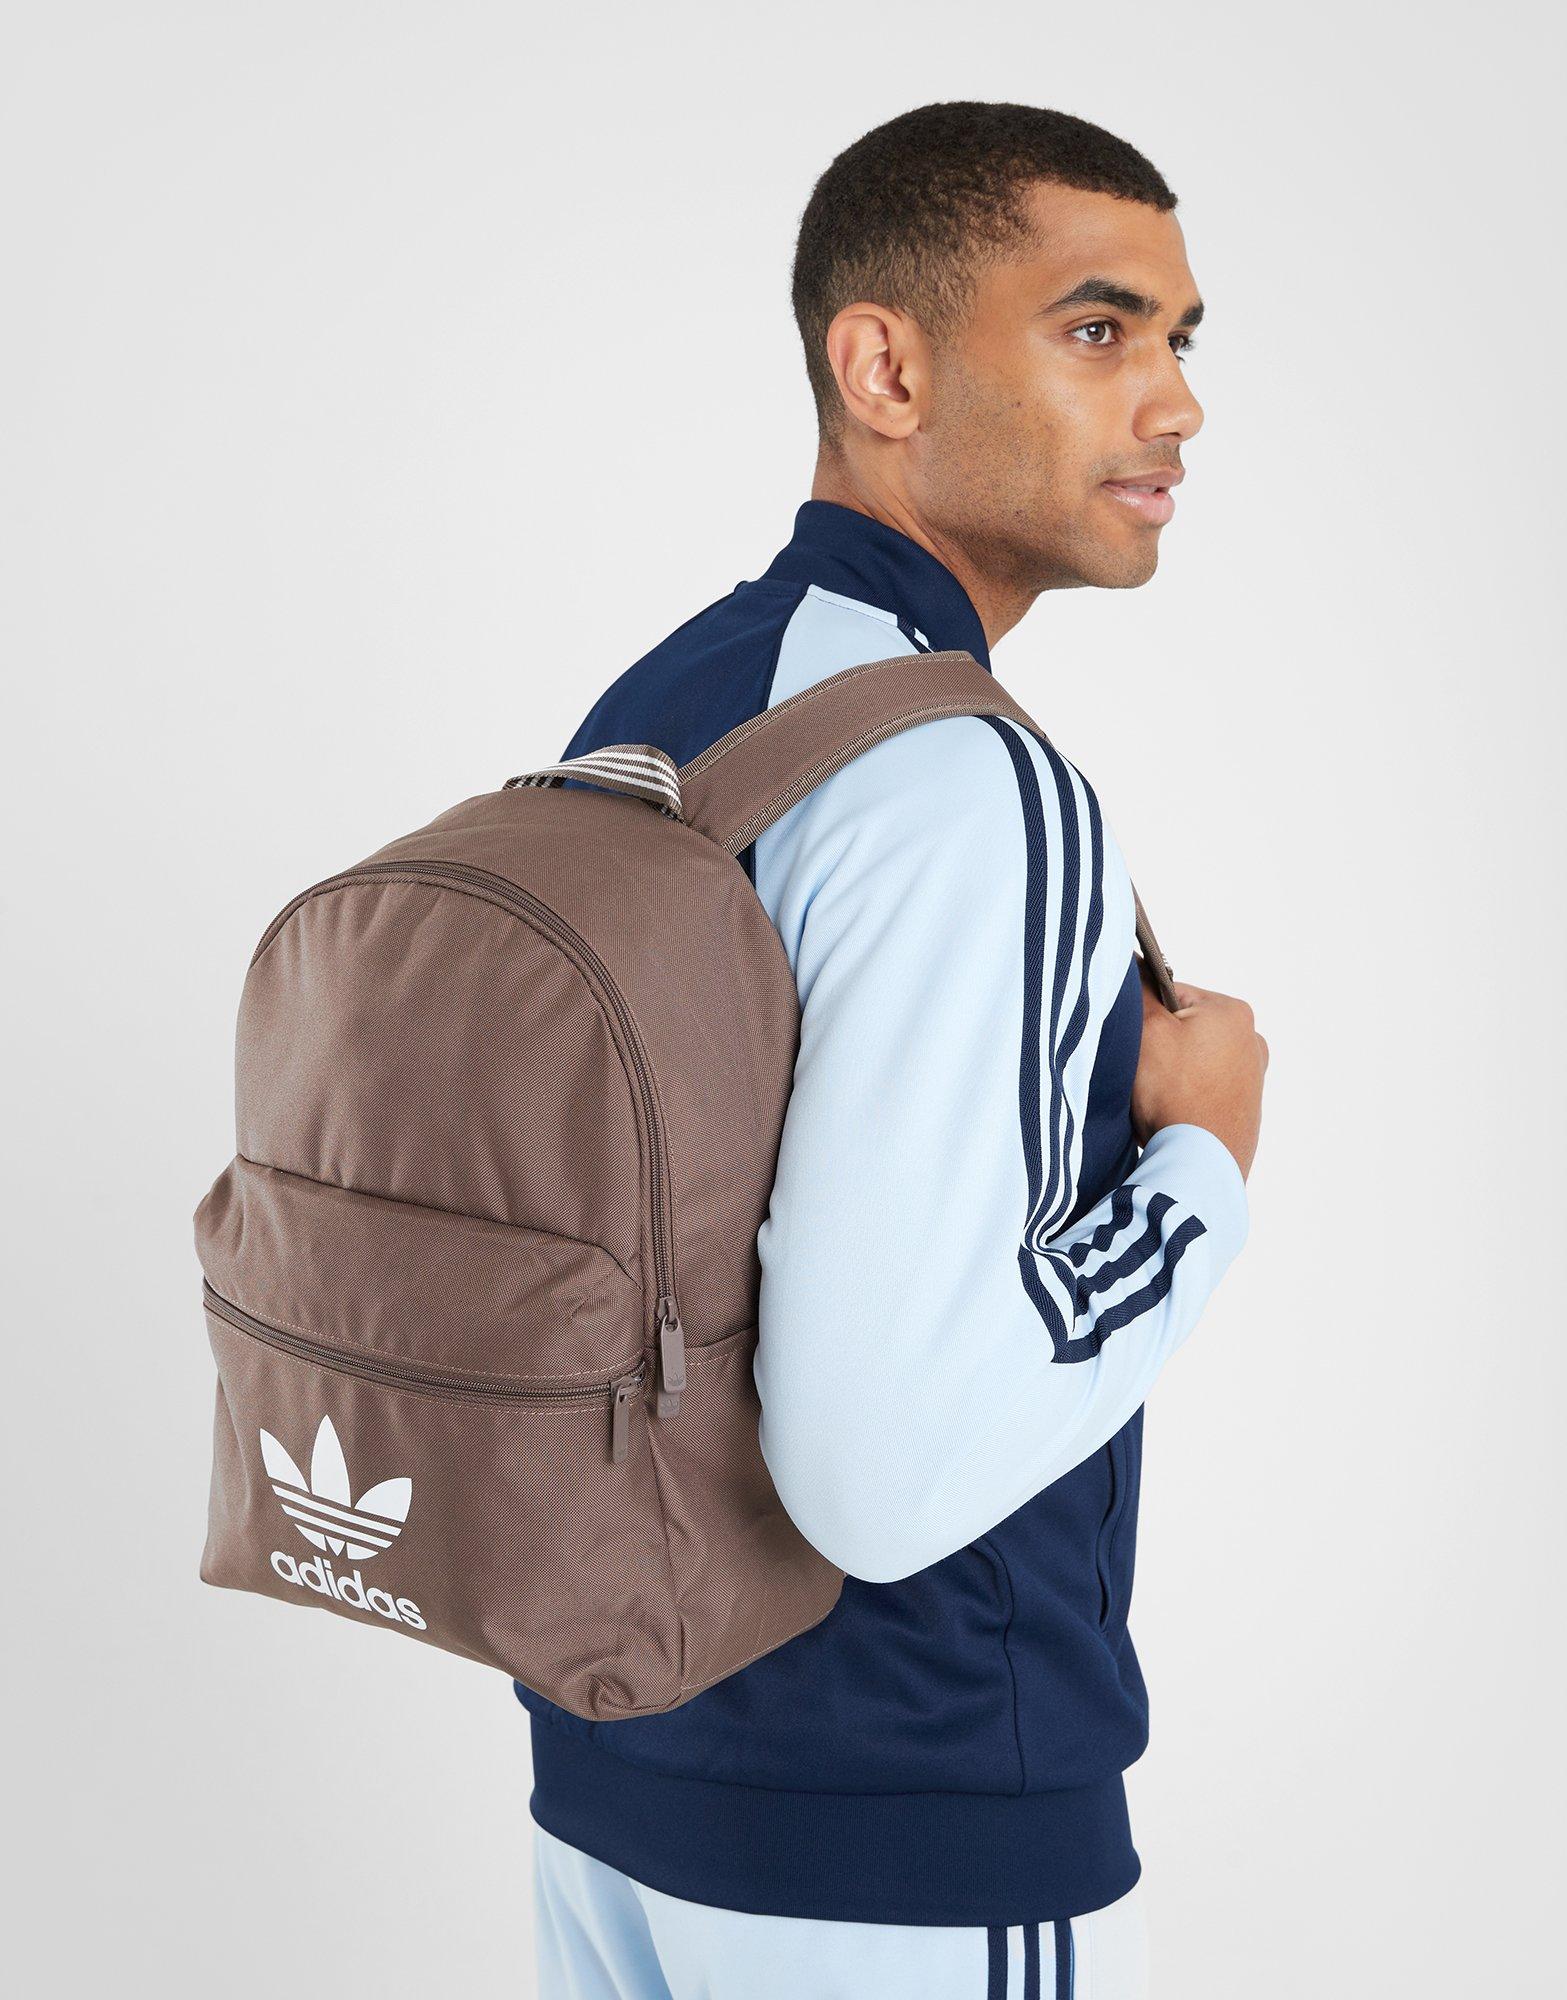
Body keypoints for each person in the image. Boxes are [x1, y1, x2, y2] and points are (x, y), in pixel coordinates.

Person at [524, 99, 1269, 2000]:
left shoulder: (675, 699)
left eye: (1182, 341)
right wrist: (1202, 1163)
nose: (1177, 403)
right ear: (885, 368)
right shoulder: (959, 780)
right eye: (1101, 330)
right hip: (906, 1833)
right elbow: (873, 1469)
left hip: (619, 1779)